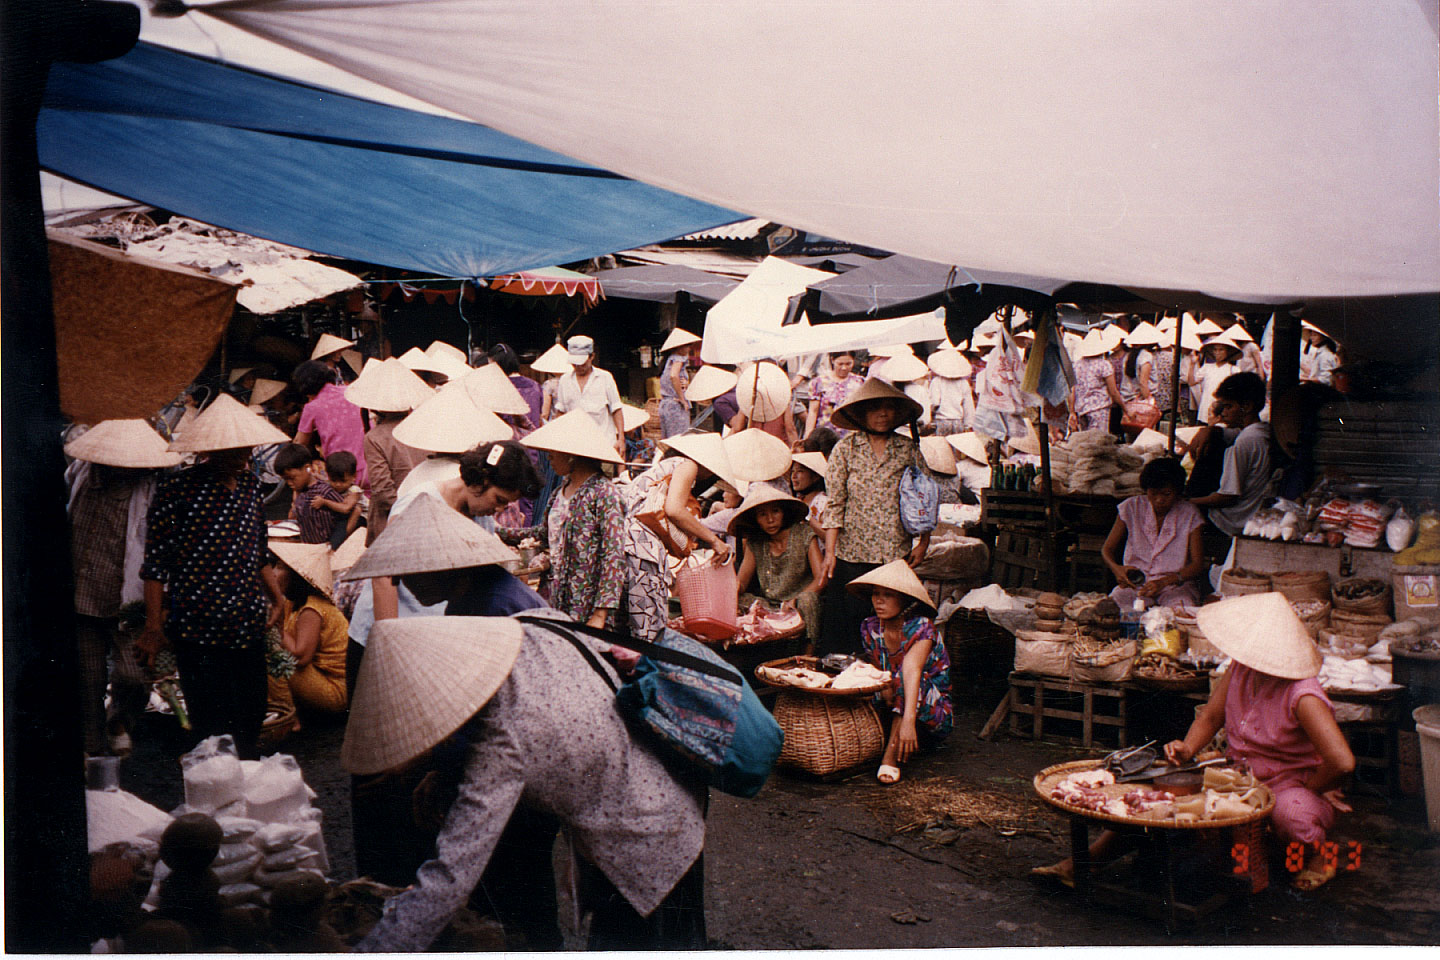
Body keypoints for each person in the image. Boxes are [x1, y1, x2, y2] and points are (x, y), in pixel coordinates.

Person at [344, 613, 708, 951]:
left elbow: (452, 876)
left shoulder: (502, 743)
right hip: (675, 793)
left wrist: (377, 950)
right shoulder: (531, 624)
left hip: (648, 844)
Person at [1034, 593, 1355, 892]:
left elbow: (1342, 761)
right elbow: (1210, 718)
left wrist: (1313, 786)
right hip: (1240, 775)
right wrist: (1188, 748)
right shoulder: (1242, 669)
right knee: (1160, 799)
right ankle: (1084, 863)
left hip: (1291, 785)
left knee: (1291, 814)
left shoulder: (1302, 693)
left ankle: (1321, 855)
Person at [138, 395, 289, 759]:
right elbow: (156, 565)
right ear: (211, 450)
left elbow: (258, 551)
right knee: (210, 725)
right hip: (197, 625)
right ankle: (214, 798)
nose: (243, 456)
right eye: (233, 450)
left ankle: (247, 793)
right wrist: (153, 626)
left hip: (246, 620)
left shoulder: (252, 487)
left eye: (246, 449)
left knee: (250, 716)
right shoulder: (178, 491)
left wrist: (277, 597)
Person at [65, 419, 181, 756]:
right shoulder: (81, 475)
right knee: (88, 678)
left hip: (129, 598)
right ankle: (92, 747)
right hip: (84, 591)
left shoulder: (150, 489)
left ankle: (120, 720)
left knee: (133, 674)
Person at [819, 378, 930, 655]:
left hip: (893, 553)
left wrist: (924, 542)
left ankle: (886, 685)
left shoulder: (907, 449)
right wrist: (830, 552)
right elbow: (835, 504)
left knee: (889, 627)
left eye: (889, 408)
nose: (883, 414)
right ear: (861, 414)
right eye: (875, 408)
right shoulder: (846, 449)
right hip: (852, 555)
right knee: (848, 628)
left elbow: (924, 497)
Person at [499, 411, 628, 628]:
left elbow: (613, 556)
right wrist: (500, 532)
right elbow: (543, 534)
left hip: (587, 600)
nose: (548, 458)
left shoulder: (605, 494)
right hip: (557, 591)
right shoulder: (561, 491)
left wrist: (600, 613)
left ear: (571, 456)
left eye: (552, 453)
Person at [621, 432, 737, 641]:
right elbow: (674, 509)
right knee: (648, 630)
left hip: (622, 547)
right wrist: (714, 541)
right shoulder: (688, 465)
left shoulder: (662, 469)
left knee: (624, 626)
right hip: (641, 548)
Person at [848, 559, 952, 784]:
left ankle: (890, 757)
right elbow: (876, 669)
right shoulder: (870, 627)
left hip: (928, 709)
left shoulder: (922, 627)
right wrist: (882, 685)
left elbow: (912, 671)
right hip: (889, 700)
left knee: (904, 679)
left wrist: (908, 722)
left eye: (888, 595)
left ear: (904, 600)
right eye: (876, 593)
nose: (879, 600)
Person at [344, 356, 432, 541]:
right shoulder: (424, 426)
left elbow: (383, 492)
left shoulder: (375, 437)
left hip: (393, 518)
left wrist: (404, 514)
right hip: (427, 510)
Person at [1101, 458, 1207, 609]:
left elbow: (1197, 564)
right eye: (1154, 493)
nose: (1159, 500)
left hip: (1175, 586)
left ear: (1177, 492)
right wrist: (1117, 569)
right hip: (1136, 585)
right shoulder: (1131, 507)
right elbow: (1107, 550)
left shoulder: (1190, 514)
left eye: (1166, 494)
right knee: (1113, 606)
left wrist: (1165, 582)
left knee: (1181, 612)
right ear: (1146, 490)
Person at [731, 486, 823, 651]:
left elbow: (821, 577)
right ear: (756, 519)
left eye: (775, 511)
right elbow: (742, 581)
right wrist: (732, 590)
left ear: (784, 513)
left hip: (800, 604)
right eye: (762, 514)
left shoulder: (804, 534)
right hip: (770, 606)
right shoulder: (756, 543)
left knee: (809, 600)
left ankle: (809, 654)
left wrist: (796, 599)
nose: (770, 519)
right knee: (741, 599)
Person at [265, 542, 349, 718]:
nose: (273, 573)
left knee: (272, 659)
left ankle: (288, 716)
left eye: (280, 568)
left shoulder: (312, 608)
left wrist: (276, 626)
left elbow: (301, 657)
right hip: (316, 679)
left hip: (333, 690)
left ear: (296, 576)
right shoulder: (291, 603)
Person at [1189, 372, 1276, 538]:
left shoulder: (1245, 441)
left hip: (1231, 521)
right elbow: (1224, 433)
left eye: (1229, 407)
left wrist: (1189, 502)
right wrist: (1208, 430)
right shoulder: (1261, 431)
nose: (1223, 414)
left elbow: (1227, 497)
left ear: (1247, 407)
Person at [293, 359, 369, 491]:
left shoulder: (312, 407)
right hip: (368, 466)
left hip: (339, 473)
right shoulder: (351, 391)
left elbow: (299, 443)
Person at [552, 335, 626, 457]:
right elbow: (561, 412)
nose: (578, 367)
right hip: (575, 445)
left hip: (603, 444)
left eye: (581, 363)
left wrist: (621, 439)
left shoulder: (605, 377)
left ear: (592, 357)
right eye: (574, 364)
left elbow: (616, 409)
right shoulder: (565, 380)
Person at [275, 443, 345, 545]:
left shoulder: (324, 491)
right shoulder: (300, 494)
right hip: (308, 548)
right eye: (286, 479)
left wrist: (334, 544)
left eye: (292, 478)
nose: (289, 483)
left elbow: (344, 517)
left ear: (307, 468)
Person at [1069, 328, 1123, 433]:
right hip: (1099, 409)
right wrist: (1124, 408)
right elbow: (1113, 391)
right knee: (1097, 442)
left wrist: (1072, 411)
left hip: (1081, 409)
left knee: (1085, 441)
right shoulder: (1104, 365)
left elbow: (1072, 390)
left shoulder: (1077, 365)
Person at [804, 350, 864, 438]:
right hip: (825, 434)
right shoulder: (819, 382)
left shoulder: (860, 382)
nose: (844, 368)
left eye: (848, 364)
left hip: (851, 433)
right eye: (840, 364)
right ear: (832, 360)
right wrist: (808, 435)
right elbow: (813, 411)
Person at [657, 328, 700, 438]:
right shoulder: (679, 358)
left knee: (668, 439)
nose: (689, 349)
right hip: (675, 404)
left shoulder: (669, 360)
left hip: (666, 405)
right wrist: (682, 398)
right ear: (679, 346)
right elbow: (673, 375)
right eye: (687, 346)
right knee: (679, 439)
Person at [927, 348, 974, 436]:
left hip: (941, 421)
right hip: (958, 422)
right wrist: (968, 425)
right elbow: (968, 406)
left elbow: (934, 402)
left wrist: (931, 416)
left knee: (943, 448)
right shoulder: (963, 383)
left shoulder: (937, 381)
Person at [323, 452, 366, 546]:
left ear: (354, 477)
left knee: (339, 534)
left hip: (361, 517)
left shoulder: (354, 491)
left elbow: (346, 508)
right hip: (342, 514)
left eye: (343, 481)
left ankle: (337, 543)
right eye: (333, 480)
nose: (338, 484)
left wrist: (325, 502)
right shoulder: (328, 486)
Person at [789, 450, 829, 542]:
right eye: (792, 471)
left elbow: (828, 536)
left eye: (800, 471)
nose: (794, 476)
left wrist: (807, 518)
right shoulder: (797, 501)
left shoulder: (823, 502)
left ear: (815, 477)